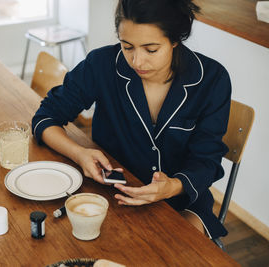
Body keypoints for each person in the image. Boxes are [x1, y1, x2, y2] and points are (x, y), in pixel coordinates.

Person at [32, 0, 231, 240]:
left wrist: (173, 186)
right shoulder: (102, 65)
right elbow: (46, 117)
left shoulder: (212, 79)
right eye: (127, 46)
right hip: (112, 194)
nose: (137, 61)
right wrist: (79, 153)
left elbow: (206, 161)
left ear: (176, 39)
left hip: (181, 201)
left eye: (151, 49)